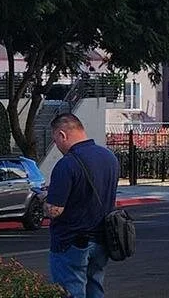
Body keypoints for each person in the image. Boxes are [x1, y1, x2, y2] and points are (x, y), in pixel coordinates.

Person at [46, 113, 119, 298]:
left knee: (71, 290)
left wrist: (42, 199)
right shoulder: (109, 158)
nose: (57, 146)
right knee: (96, 287)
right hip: (103, 239)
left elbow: (55, 210)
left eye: (56, 140)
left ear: (63, 135)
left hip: (71, 242)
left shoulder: (67, 164)